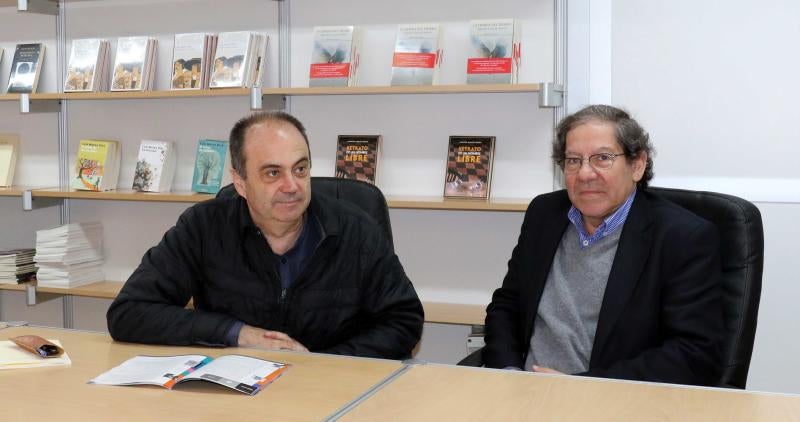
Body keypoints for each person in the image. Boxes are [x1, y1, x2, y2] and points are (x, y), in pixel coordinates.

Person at [107, 111, 424, 359]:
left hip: (334, 391)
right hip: (237, 397)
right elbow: (129, 312)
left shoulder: (355, 229)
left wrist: (322, 362)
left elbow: (404, 319)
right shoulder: (204, 227)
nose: (292, 185)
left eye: (300, 169)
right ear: (240, 182)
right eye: (273, 173)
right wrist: (236, 333)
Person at [483, 104, 724, 386]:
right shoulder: (544, 214)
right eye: (573, 160)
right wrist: (509, 372)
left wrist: (584, 387)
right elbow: (507, 305)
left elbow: (694, 354)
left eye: (602, 158)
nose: (585, 174)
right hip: (524, 392)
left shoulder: (682, 237)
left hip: (614, 402)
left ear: (637, 165)